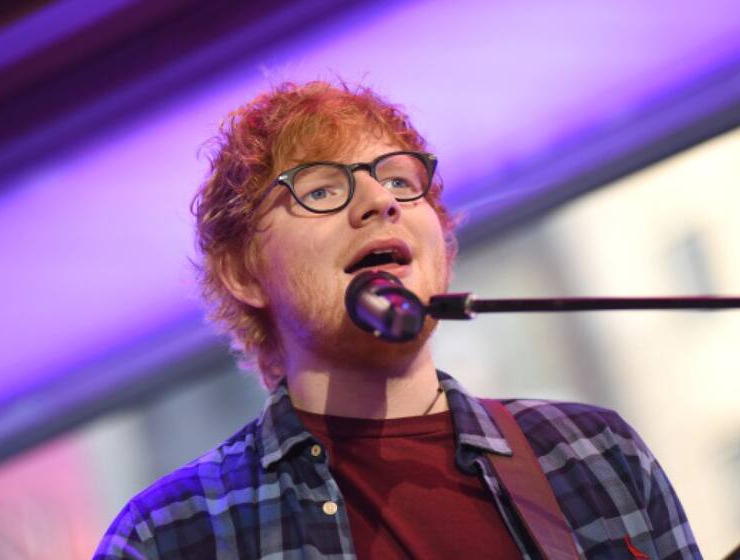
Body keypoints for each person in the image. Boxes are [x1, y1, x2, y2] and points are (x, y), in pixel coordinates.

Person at [94, 81, 701, 559]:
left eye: (399, 180)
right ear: (244, 273)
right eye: (321, 190)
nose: (381, 201)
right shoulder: (171, 534)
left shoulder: (594, 452)